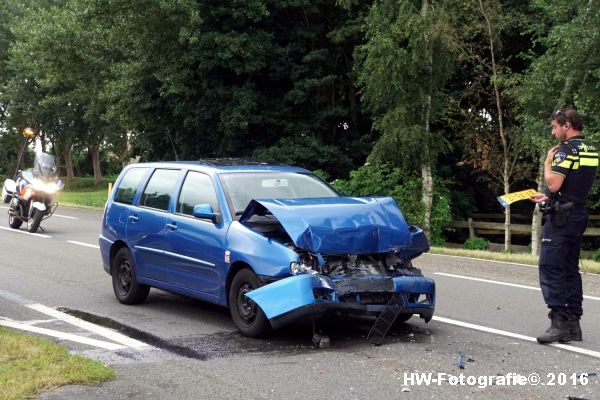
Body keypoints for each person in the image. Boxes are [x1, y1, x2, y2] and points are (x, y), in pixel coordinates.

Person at [530, 107, 598, 343]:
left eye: (554, 127)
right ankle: (573, 324)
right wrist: (547, 197)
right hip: (577, 214)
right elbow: (573, 186)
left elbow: (555, 183)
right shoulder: (591, 148)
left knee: (550, 268)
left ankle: (558, 322)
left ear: (566, 125)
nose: (553, 132)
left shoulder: (565, 151)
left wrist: (549, 162)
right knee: (570, 269)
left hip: (560, 220)